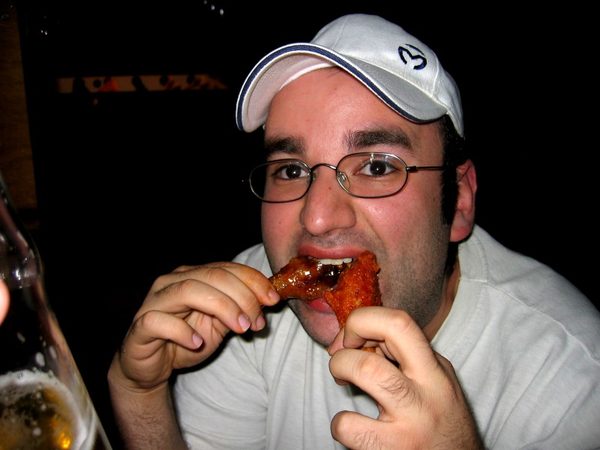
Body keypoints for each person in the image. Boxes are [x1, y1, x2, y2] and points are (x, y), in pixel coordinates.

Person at [108, 13, 600, 449]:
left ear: (459, 203)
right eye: (291, 170)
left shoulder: (573, 384)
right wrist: (141, 395)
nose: (317, 218)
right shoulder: (242, 315)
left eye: (377, 167)